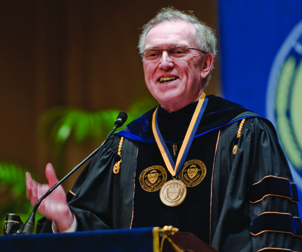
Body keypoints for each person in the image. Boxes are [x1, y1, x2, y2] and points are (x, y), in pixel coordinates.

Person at [26, 7, 302, 251]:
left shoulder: (245, 133)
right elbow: (100, 235)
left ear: (206, 64)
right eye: (153, 54)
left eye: (178, 51)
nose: (164, 62)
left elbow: (273, 230)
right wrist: (67, 219)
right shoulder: (125, 146)